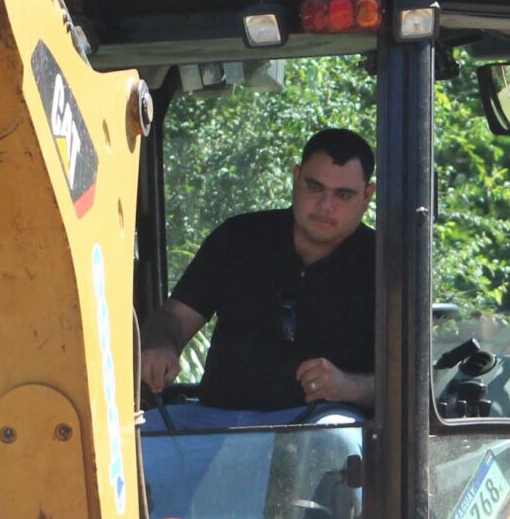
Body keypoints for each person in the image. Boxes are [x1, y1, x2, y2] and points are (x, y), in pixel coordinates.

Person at [138, 127, 377, 417]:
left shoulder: (386, 264)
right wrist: (162, 345)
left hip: (317, 423)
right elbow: (176, 316)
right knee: (134, 444)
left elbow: (408, 384)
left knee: (334, 441)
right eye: (315, 187)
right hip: (215, 419)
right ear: (296, 178)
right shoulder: (239, 237)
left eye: (343, 195)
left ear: (367, 195)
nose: (326, 206)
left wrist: (347, 386)